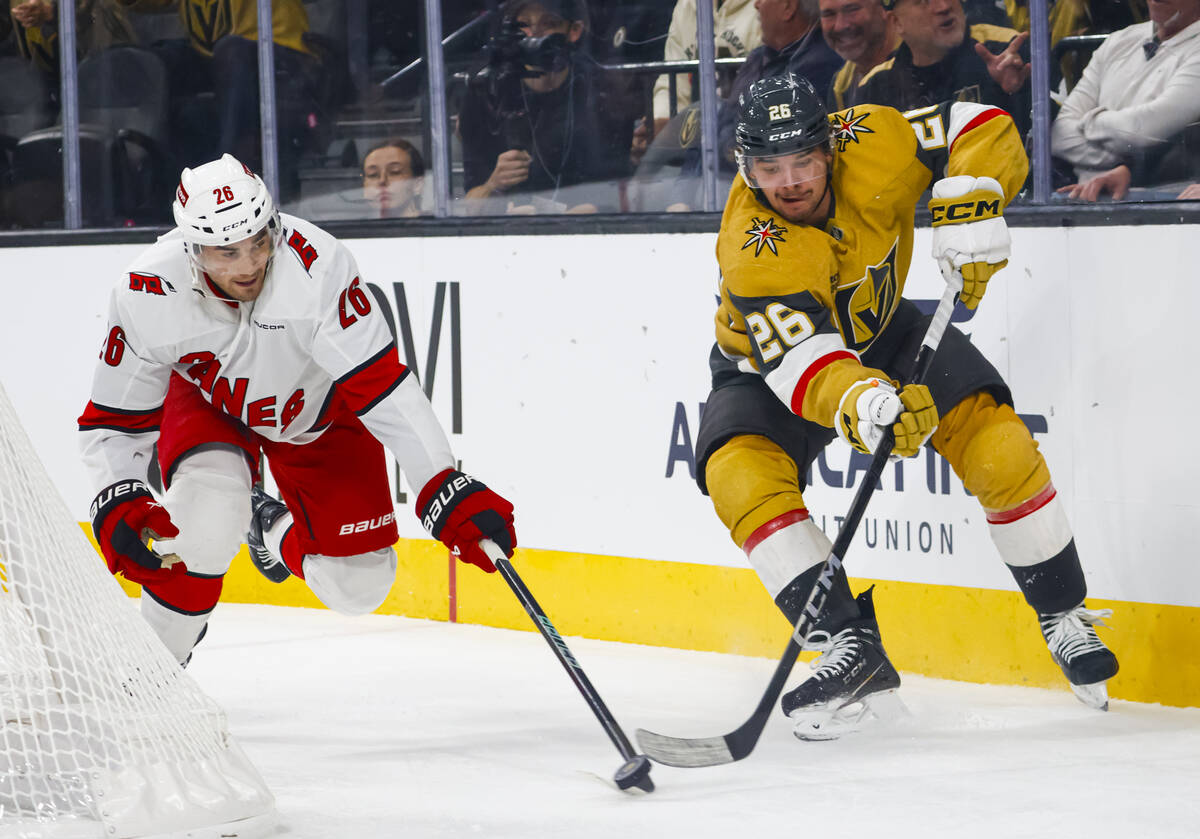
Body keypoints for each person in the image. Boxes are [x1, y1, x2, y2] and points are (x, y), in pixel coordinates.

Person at [697, 73, 1118, 739]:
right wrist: (869, 402)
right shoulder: (754, 246)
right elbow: (807, 364)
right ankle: (848, 642)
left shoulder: (876, 136)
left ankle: (1062, 611)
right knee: (738, 476)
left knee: (998, 443)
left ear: (830, 147)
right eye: (768, 168)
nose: (790, 182)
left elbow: (975, 119)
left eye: (803, 161)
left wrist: (976, 197)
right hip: (774, 369)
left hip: (886, 329)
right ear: (743, 166)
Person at [78, 154, 517, 667]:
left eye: (258, 241)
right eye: (225, 251)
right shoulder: (147, 292)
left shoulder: (319, 267)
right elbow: (113, 421)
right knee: (202, 527)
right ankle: (151, 674)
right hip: (210, 405)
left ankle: (268, 523)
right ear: (193, 250)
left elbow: (381, 385)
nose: (247, 265)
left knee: (359, 587)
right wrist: (118, 492)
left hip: (315, 415)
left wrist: (441, 481)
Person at [112, 0, 341, 203]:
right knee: (152, 61)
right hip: (220, 62)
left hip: (286, 59)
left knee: (231, 50)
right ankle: (151, 185)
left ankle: (232, 168)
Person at [458, 0, 631, 214]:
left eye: (548, 23)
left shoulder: (600, 92)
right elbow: (469, 205)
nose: (534, 34)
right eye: (523, 24)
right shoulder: (487, 92)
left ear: (574, 31)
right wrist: (494, 184)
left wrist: (580, 216)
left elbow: (617, 192)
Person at [1052, 0, 1200, 201]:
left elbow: (1142, 129)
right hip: (1079, 203)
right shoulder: (1118, 40)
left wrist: (1089, 120)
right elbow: (1060, 134)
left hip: (1161, 210)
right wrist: (1127, 165)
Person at [857, 0, 1032, 138]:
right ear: (896, 22)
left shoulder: (1006, 49)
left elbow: (1050, 139)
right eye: (923, 1)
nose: (944, 6)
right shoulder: (874, 86)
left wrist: (1019, 90)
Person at [650, 0, 762, 133]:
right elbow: (673, 82)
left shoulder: (764, 5)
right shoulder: (686, 4)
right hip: (691, 134)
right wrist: (662, 121)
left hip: (746, 130)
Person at [819, 0, 900, 109]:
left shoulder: (920, 61)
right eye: (829, 14)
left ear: (884, 9)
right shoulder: (841, 83)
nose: (840, 26)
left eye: (852, 10)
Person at [361, 138, 425, 218]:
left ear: (417, 184)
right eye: (373, 175)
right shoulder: (354, 228)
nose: (382, 181)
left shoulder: (433, 228)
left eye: (395, 172)